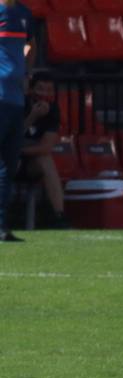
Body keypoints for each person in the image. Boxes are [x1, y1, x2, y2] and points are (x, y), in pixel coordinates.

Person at [0, 0, 35, 243]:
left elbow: (30, 44)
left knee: (8, 166)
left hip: (15, 99)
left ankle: (0, 225)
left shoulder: (24, 13)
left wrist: (26, 74)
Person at [19, 71, 68, 228]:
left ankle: (59, 216)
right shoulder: (17, 104)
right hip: (7, 161)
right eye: (40, 89)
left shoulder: (53, 110)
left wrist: (20, 151)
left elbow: (46, 147)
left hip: (27, 160)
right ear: (31, 90)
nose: (44, 94)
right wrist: (32, 117)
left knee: (45, 159)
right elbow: (8, 139)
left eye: (49, 90)